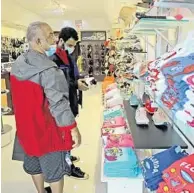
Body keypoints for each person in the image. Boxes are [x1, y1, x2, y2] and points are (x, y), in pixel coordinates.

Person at [10, 21, 81, 193]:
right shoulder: (48, 69)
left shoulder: (18, 65)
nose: (54, 37)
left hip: (25, 127)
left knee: (34, 163)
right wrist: (72, 128)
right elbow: (58, 103)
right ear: (38, 41)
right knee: (55, 170)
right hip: (46, 128)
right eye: (49, 34)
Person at [47, 27, 89, 181]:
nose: (72, 48)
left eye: (74, 45)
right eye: (70, 44)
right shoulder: (53, 61)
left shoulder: (68, 57)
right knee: (64, 135)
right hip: (61, 106)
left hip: (71, 102)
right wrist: (75, 84)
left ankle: (67, 157)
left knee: (68, 135)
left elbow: (71, 78)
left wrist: (79, 83)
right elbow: (58, 87)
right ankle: (67, 168)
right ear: (61, 41)